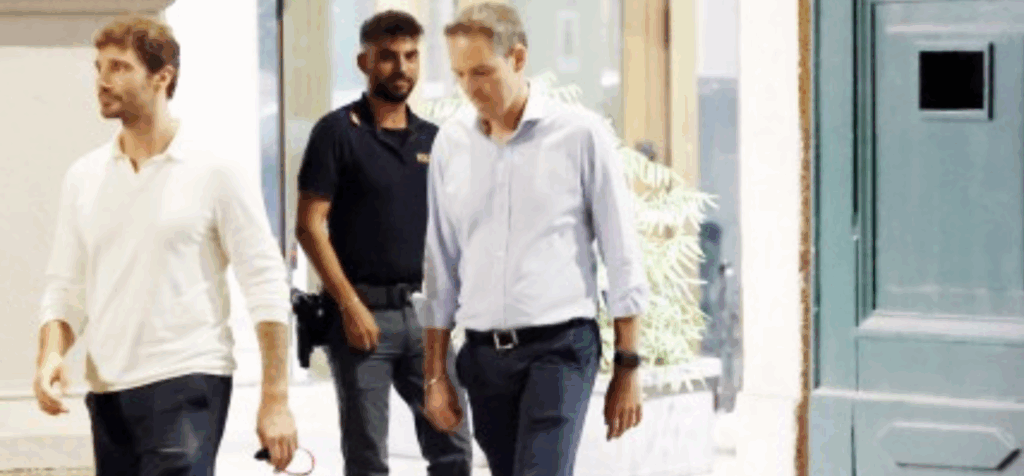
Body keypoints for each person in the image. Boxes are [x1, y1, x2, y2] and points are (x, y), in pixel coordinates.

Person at [32, 14, 299, 475]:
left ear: (163, 77)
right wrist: (51, 354)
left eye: (119, 67)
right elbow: (65, 287)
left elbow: (265, 282)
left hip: (188, 381)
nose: (103, 81)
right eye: (99, 67)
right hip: (108, 392)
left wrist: (275, 399)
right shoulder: (84, 177)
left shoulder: (214, 168)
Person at [419, 3, 650, 476]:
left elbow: (621, 252)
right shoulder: (450, 144)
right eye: (460, 74)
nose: (470, 88)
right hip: (483, 358)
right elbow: (440, 267)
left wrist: (628, 365)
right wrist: (435, 374)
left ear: (518, 58)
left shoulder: (581, 135)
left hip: (559, 349)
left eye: (482, 72)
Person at [295, 10, 474, 476]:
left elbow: (452, 230)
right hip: (361, 317)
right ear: (365, 62)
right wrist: (349, 305)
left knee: (454, 448)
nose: (402, 68)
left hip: (425, 318)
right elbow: (309, 226)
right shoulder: (336, 133)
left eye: (411, 56)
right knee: (368, 459)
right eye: (389, 57)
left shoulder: (434, 140)